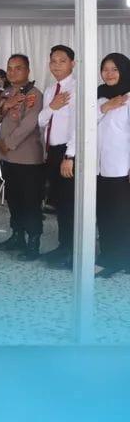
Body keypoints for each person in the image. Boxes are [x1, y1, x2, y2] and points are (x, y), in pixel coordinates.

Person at [0, 54, 44, 260]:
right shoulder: (7, 92)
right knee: (14, 200)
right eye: (10, 68)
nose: (13, 72)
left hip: (28, 158)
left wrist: (8, 142)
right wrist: (5, 105)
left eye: (18, 68)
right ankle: (17, 236)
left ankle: (33, 242)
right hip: (9, 158)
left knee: (30, 202)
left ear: (28, 70)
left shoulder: (34, 94)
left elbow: (29, 123)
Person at [37, 44, 76, 268]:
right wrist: (52, 106)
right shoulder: (51, 90)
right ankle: (63, 246)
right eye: (53, 61)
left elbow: (78, 126)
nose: (57, 65)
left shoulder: (77, 89)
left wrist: (70, 156)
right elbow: (41, 121)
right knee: (60, 202)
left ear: (73, 63)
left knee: (70, 203)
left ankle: (72, 250)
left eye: (62, 61)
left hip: (68, 152)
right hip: (52, 152)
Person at [94, 53, 130, 278]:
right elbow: (85, 124)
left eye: (114, 69)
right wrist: (105, 107)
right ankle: (108, 255)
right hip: (99, 167)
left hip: (121, 167)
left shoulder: (129, 97)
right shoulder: (98, 95)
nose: (108, 74)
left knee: (121, 215)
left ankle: (121, 258)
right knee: (104, 213)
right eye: (105, 69)